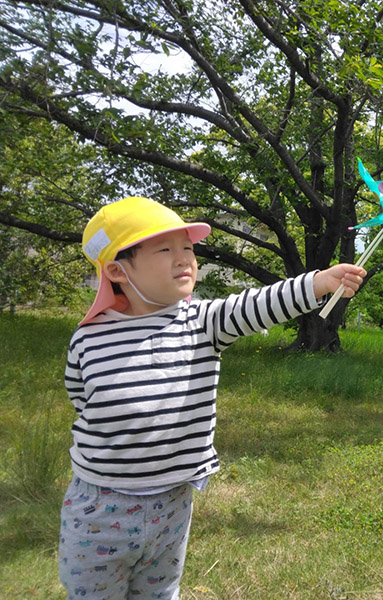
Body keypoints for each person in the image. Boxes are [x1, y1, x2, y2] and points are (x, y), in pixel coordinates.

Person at [59, 196, 365, 599]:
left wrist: (319, 283)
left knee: (161, 592)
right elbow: (82, 400)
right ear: (117, 269)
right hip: (100, 507)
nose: (184, 258)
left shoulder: (201, 322)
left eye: (187, 248)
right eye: (165, 249)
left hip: (173, 501)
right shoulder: (89, 338)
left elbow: (258, 304)